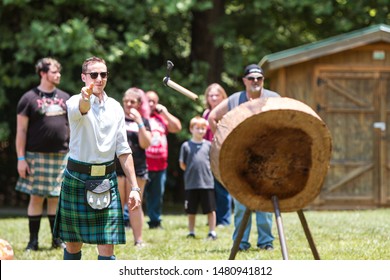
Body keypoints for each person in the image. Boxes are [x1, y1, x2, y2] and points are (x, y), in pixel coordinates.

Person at [53, 56, 141, 260]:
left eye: (103, 74)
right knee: (73, 244)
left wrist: (135, 187)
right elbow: (83, 108)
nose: (99, 78)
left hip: (106, 181)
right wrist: (86, 97)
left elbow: (123, 149)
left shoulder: (116, 107)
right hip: (77, 178)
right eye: (94, 75)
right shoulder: (74, 101)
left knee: (107, 245)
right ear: (84, 77)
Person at [208, 64, 280, 251]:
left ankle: (266, 242)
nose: (255, 81)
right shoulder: (235, 99)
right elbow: (212, 117)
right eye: (251, 78)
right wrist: (222, 140)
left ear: (263, 80)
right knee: (241, 203)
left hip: (267, 158)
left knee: (265, 201)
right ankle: (241, 242)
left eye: (259, 78)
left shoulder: (274, 98)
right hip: (240, 157)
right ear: (244, 81)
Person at [15, 57, 69, 251]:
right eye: (54, 71)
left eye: (58, 71)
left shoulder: (65, 98)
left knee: (55, 198)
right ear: (43, 73)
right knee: (36, 197)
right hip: (35, 155)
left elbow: (71, 127)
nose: (58, 74)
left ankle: (56, 240)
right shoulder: (28, 98)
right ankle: (33, 241)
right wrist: (21, 158)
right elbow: (21, 131)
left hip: (61, 155)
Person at [116, 87, 152, 247]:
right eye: (126, 101)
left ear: (138, 104)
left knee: (134, 204)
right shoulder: (116, 119)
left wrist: (139, 122)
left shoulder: (144, 121)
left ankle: (138, 240)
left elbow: (145, 144)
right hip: (116, 167)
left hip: (137, 168)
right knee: (116, 204)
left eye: (132, 102)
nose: (129, 104)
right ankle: (114, 239)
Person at [144, 90, 182, 229]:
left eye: (154, 101)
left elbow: (177, 127)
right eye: (148, 100)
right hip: (143, 164)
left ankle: (155, 221)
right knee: (137, 193)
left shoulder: (160, 118)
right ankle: (128, 220)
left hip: (160, 165)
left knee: (157, 195)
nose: (151, 103)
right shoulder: (140, 117)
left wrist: (165, 112)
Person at [179, 116, 217, 240]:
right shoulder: (186, 146)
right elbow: (182, 164)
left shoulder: (209, 145)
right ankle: (191, 231)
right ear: (191, 129)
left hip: (207, 183)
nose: (200, 131)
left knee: (210, 209)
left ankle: (212, 232)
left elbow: (212, 162)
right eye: (197, 128)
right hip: (191, 183)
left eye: (203, 128)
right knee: (191, 210)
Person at [202, 83, 232, 227]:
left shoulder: (226, 113)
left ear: (222, 97)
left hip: (222, 152)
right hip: (208, 153)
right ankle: (214, 219)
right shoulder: (206, 114)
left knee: (222, 187)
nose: (213, 98)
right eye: (210, 95)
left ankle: (224, 220)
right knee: (210, 187)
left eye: (216, 95)